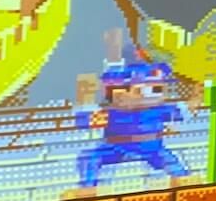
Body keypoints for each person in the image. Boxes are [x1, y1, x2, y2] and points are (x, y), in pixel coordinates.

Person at [76, 60, 189, 189]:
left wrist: (197, 97)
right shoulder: (112, 112)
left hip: (151, 148)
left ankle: (185, 184)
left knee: (172, 164)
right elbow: (85, 122)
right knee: (89, 158)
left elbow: (181, 113)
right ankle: (87, 189)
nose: (139, 95)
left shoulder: (159, 109)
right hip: (116, 147)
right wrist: (84, 101)